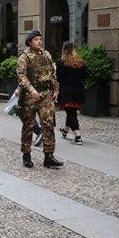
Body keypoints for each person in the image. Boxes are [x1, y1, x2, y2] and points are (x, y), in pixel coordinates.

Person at [17, 30, 63, 168]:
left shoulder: (46, 55)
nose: (39, 41)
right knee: (28, 126)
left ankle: (49, 156)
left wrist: (56, 89)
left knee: (48, 125)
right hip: (29, 97)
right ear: (30, 42)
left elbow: (52, 73)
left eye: (40, 39)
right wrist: (32, 90)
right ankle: (26, 155)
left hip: (45, 95)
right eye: (36, 39)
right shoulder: (24, 57)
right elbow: (21, 76)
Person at [56, 41, 88, 145]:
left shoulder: (61, 63)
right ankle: (64, 130)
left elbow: (58, 78)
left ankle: (78, 136)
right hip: (78, 91)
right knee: (71, 112)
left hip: (66, 91)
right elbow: (86, 76)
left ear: (64, 50)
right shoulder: (81, 63)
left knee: (71, 113)